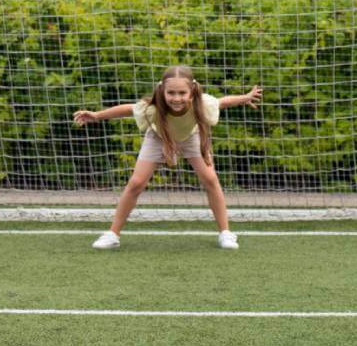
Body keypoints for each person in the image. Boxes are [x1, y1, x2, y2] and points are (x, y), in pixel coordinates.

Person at [74, 65, 262, 250]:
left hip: (191, 137)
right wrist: (96, 115)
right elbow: (128, 109)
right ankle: (112, 234)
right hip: (158, 137)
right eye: (171, 93)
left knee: (210, 179)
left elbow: (223, 101)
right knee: (136, 183)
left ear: (192, 91)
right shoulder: (153, 108)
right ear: (162, 90)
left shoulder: (202, 104)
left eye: (182, 93)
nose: (177, 98)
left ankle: (225, 233)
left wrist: (246, 98)